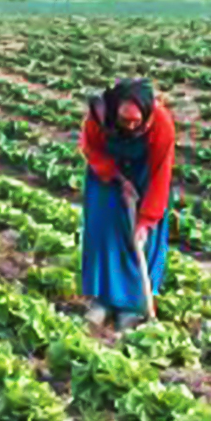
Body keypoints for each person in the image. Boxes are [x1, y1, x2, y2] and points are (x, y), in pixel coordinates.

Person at [80, 79, 175, 332]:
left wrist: (146, 219)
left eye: (136, 121)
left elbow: (161, 171)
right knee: (105, 233)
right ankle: (103, 300)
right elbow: (91, 148)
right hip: (107, 174)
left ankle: (132, 306)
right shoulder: (100, 116)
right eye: (125, 120)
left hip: (146, 174)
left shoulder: (160, 121)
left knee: (141, 241)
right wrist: (118, 178)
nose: (131, 125)